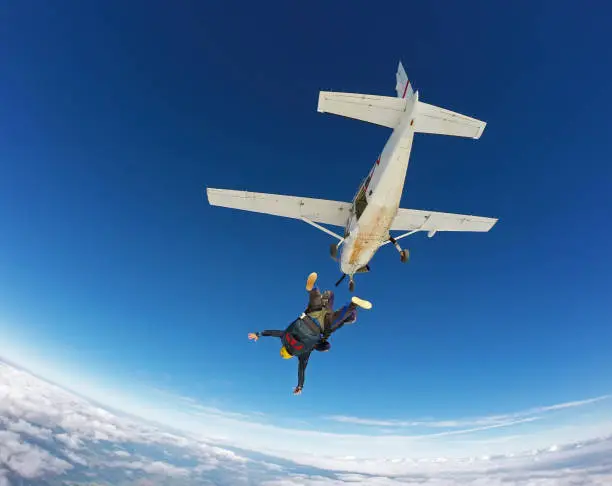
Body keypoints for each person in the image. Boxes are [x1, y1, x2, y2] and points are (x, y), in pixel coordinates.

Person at [248, 272, 372, 395]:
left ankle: (353, 304)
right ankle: (312, 288)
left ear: (290, 355)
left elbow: (301, 371)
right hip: (309, 316)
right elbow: (272, 332)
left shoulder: (302, 354)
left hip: (322, 327)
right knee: (315, 301)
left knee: (340, 317)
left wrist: (300, 386)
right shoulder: (284, 337)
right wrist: (258, 334)